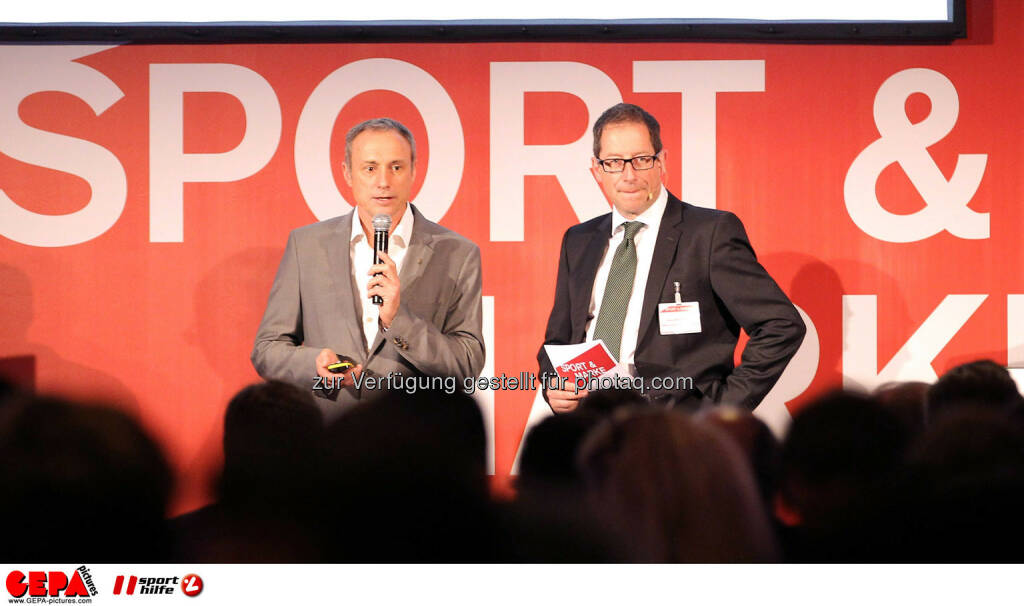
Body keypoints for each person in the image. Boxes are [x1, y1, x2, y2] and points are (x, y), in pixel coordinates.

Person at [538, 103, 805, 413]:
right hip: (593, 424)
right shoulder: (579, 240)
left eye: (641, 160)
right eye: (614, 162)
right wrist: (554, 385)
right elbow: (557, 341)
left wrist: (723, 411)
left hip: (677, 430)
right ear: (597, 170)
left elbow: (781, 325)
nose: (628, 175)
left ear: (661, 161)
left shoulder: (708, 234)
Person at [252, 118, 485, 417]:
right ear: (347, 173)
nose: (384, 181)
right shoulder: (306, 245)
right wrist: (313, 364)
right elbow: (267, 349)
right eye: (370, 168)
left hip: (417, 438)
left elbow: (466, 364)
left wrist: (397, 321)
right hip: (332, 435)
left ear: (414, 171)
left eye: (396, 167)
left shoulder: (457, 253)